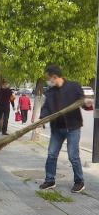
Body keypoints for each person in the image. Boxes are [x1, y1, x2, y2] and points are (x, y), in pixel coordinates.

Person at [39, 64, 93, 193]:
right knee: (51, 154)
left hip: (72, 127)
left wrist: (87, 104)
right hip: (56, 128)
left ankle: (79, 182)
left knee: (73, 156)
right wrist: (42, 118)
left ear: (54, 76)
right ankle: (50, 180)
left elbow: (83, 103)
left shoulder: (74, 86)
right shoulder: (50, 92)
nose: (48, 81)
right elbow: (46, 107)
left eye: (48, 78)